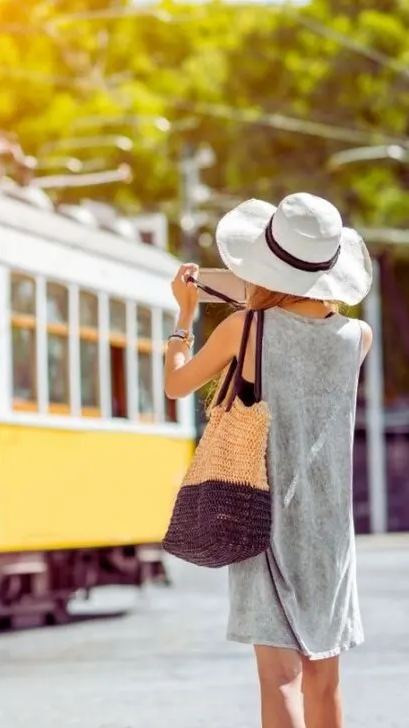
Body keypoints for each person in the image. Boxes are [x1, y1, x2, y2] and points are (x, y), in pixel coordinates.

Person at [163, 192, 373, 728]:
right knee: (325, 678)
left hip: (263, 515)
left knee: (280, 678)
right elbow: (301, 316)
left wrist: (184, 320)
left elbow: (176, 383)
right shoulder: (358, 337)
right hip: (331, 531)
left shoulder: (244, 330)